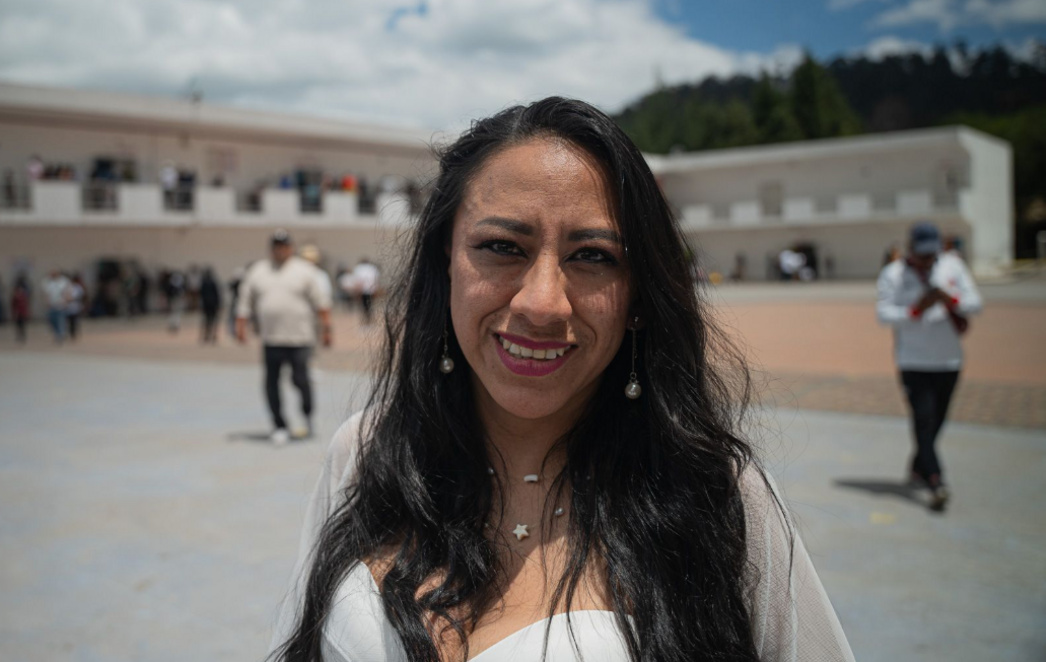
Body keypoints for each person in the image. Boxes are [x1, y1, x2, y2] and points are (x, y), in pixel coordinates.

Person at [269, 98, 854, 662]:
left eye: (593, 256)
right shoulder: (366, 451)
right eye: (501, 246)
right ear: (445, 259)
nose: (542, 304)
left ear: (640, 295)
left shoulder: (715, 492)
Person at [877, 221, 982, 512]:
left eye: (932, 254)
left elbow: (975, 304)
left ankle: (918, 466)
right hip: (913, 360)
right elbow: (883, 314)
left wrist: (952, 299)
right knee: (923, 419)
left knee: (936, 422)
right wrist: (915, 310)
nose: (928, 260)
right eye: (922, 254)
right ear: (910, 248)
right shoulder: (894, 274)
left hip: (949, 360)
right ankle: (936, 481)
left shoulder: (952, 267)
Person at [236, 229, 333, 446]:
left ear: (291, 247)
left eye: (284, 245)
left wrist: (327, 328)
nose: (280, 250)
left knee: (300, 379)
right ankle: (279, 425)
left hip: (300, 338)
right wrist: (240, 324)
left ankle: (307, 415)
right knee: (271, 382)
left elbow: (322, 302)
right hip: (272, 339)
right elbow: (245, 299)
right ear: (271, 248)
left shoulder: (304, 271)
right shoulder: (259, 271)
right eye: (276, 246)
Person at [42, 269, 73, 344]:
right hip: (52, 305)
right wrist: (47, 302)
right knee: (52, 321)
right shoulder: (49, 282)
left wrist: (66, 300)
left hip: (61, 305)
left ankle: (60, 335)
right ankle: (58, 333)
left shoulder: (64, 281)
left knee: (60, 321)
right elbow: (46, 293)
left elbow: (68, 291)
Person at [351, 257, 380, 324]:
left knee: (364, 305)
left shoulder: (358, 268)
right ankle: (369, 318)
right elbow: (376, 280)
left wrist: (357, 291)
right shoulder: (373, 268)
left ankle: (366, 319)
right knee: (370, 305)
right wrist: (376, 289)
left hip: (362, 290)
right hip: (371, 290)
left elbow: (357, 280)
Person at [199, 267, 223, 344]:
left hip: (207, 304)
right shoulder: (212, 282)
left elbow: (201, 295)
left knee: (207, 321)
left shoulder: (204, 283)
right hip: (212, 304)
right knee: (212, 321)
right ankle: (212, 335)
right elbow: (217, 294)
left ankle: (207, 336)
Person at [67, 272, 86, 341]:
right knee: (68, 322)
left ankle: (73, 334)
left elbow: (80, 297)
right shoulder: (68, 287)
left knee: (74, 321)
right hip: (67, 307)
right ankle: (69, 333)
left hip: (75, 307)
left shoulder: (78, 287)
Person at [11, 277, 30, 344]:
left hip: (22, 313)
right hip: (17, 313)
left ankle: (23, 335)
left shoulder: (24, 296)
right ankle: (19, 335)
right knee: (18, 325)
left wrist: (26, 313)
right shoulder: (15, 297)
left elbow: (26, 305)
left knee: (22, 325)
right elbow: (13, 306)